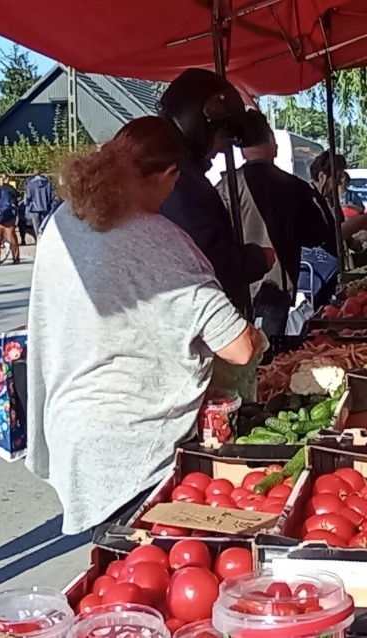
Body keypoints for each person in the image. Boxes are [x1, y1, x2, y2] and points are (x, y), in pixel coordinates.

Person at [27, 117, 263, 535]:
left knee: (113, 567)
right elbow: (238, 349)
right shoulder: (159, 239)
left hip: (71, 425)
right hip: (134, 441)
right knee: (135, 566)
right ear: (169, 174)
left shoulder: (63, 220)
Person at [158, 68, 275, 311]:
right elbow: (209, 257)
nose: (224, 150)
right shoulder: (176, 180)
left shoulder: (178, 174)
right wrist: (257, 259)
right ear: (197, 124)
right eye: (224, 136)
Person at [216, 111, 336, 336]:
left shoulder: (226, 186)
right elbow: (317, 234)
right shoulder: (295, 187)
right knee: (269, 356)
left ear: (241, 149)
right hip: (277, 285)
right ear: (273, 142)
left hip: (234, 289)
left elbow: (213, 238)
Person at [24, 171, 55, 238]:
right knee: (45, 224)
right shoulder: (47, 183)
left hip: (34, 208)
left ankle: (38, 239)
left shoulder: (31, 184)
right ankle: (45, 238)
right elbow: (50, 196)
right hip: (45, 206)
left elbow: (28, 196)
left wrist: (27, 204)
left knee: (36, 226)